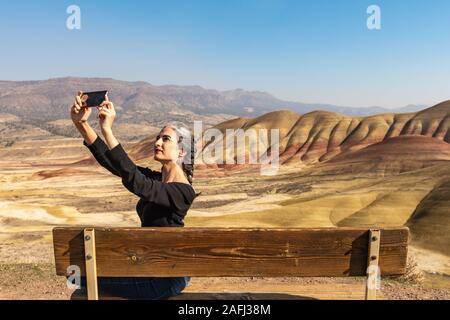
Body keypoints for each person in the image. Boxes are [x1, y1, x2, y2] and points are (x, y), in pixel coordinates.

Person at [70, 91, 197, 299]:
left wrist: (108, 130)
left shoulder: (183, 191)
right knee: (81, 273)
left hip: (165, 277)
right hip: (152, 268)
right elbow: (117, 165)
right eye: (158, 138)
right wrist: (81, 125)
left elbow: (136, 182)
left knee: (76, 275)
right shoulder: (158, 180)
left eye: (166, 139)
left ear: (181, 151)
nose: (158, 142)